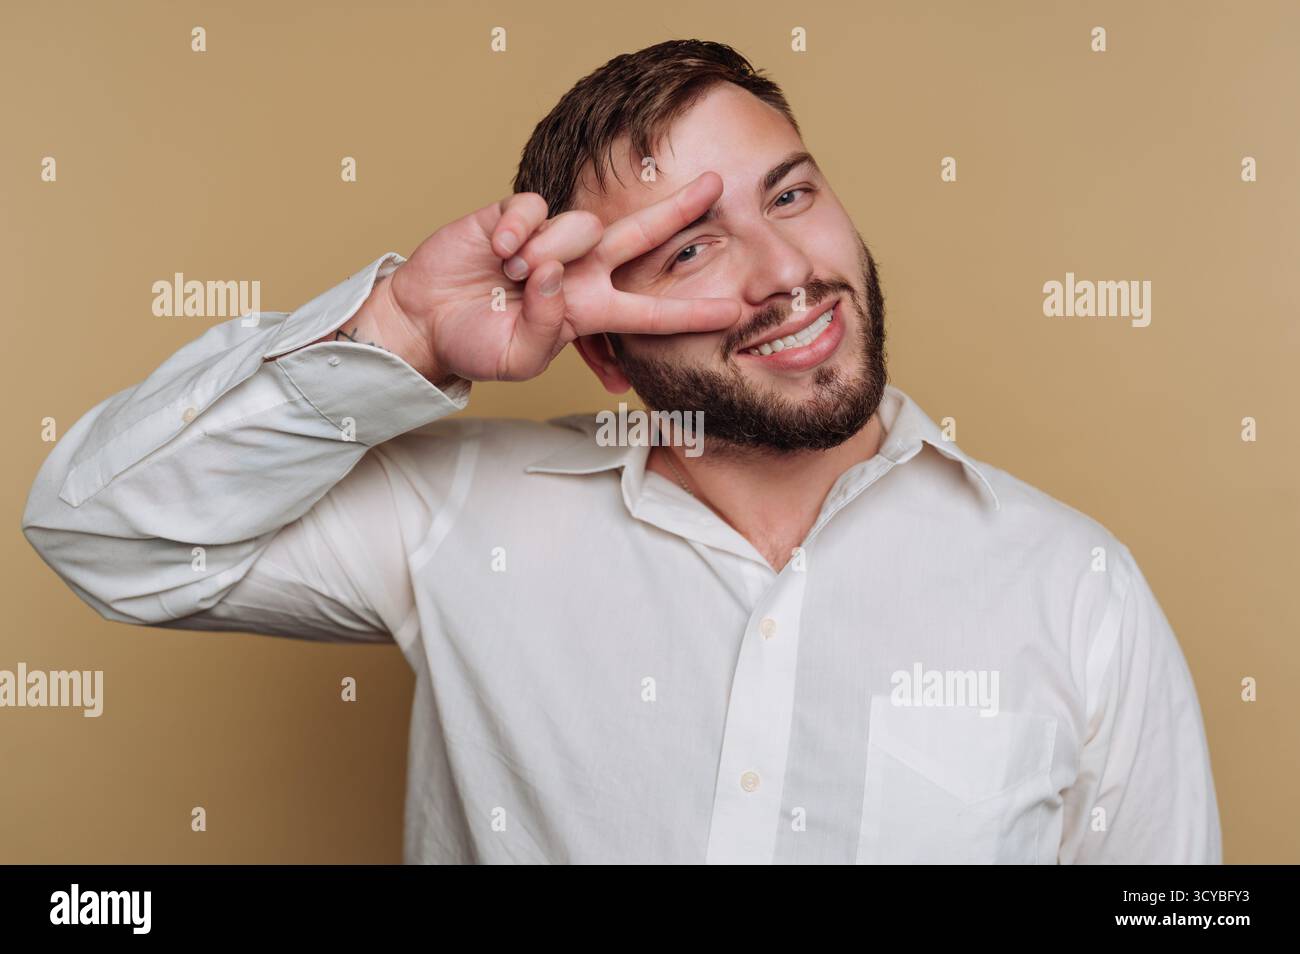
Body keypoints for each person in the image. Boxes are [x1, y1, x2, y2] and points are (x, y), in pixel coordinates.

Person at [22, 39, 1221, 864]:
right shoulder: (459, 524)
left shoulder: (1075, 588)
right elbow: (103, 532)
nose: (784, 271)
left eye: (790, 195)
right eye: (690, 250)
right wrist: (398, 333)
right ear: (601, 349)